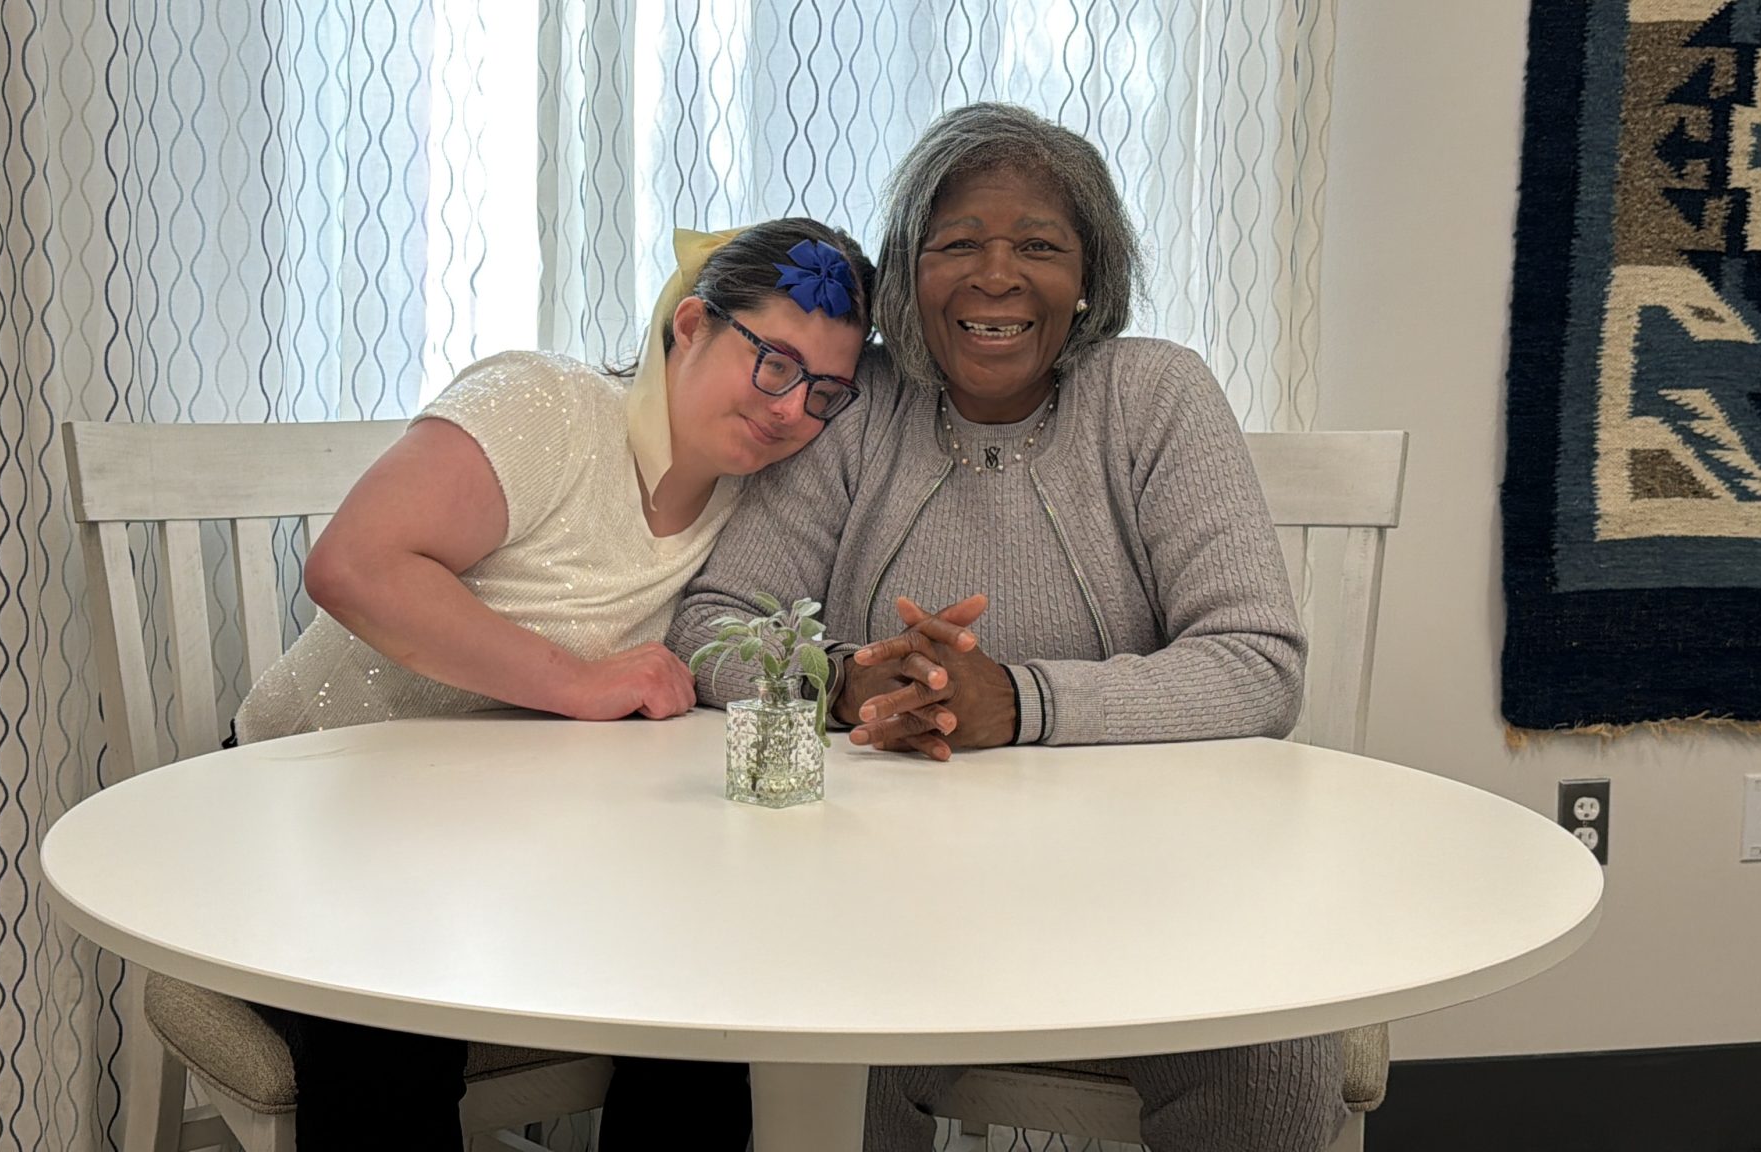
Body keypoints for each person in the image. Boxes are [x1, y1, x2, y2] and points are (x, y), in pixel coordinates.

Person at [667, 104, 1344, 1151]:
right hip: (875, 888)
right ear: (906, 273)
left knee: (1264, 1060)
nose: (995, 277)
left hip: (1153, 874)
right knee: (812, 1064)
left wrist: (1016, 703)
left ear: (1089, 275)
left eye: (1037, 244)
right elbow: (712, 626)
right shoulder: (854, 405)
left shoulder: (1154, 394)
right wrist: (847, 683)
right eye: (955, 245)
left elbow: (1256, 666)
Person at [235, 218, 877, 1150]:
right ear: (690, 326)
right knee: (397, 1017)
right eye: (773, 363)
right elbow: (353, 566)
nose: (791, 411)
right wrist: (575, 683)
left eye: (826, 393)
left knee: (700, 1003)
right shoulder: (547, 406)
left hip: (504, 846)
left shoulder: (756, 500)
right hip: (309, 813)